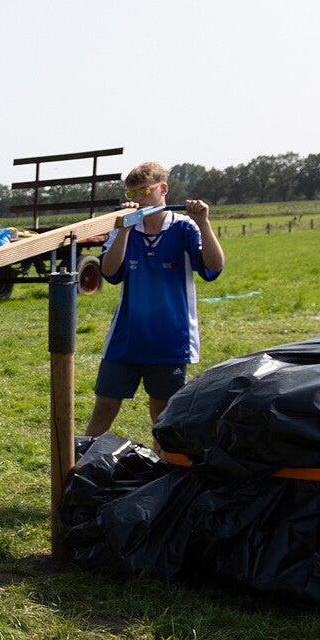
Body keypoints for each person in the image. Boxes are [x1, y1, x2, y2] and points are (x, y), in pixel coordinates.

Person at [83, 161, 226, 439]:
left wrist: (204, 223)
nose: (137, 200)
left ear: (163, 189)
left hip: (170, 339)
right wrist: (124, 228)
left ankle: (164, 469)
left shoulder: (184, 228)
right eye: (131, 194)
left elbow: (214, 266)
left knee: (162, 412)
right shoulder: (122, 230)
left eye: (144, 192)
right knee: (105, 405)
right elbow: (110, 272)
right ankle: (81, 467)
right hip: (127, 337)